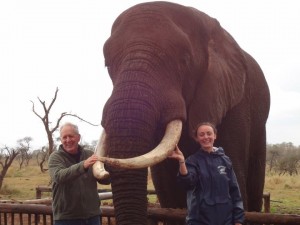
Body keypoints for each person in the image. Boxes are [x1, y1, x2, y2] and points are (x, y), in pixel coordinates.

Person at [168, 122, 244, 225]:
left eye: (209, 133)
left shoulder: (225, 160)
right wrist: (182, 161)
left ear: (215, 135)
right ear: (197, 138)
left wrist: (238, 220)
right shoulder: (192, 161)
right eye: (201, 134)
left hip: (226, 220)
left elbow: (235, 191)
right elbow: (187, 183)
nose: (206, 137)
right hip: (199, 220)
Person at [48, 122, 103, 225]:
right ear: (61, 139)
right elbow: (59, 176)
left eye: (71, 136)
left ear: (78, 137)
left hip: (92, 217)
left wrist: (109, 168)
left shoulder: (90, 154)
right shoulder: (55, 157)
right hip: (66, 218)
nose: (68, 140)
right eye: (64, 137)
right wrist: (83, 165)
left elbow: (103, 179)